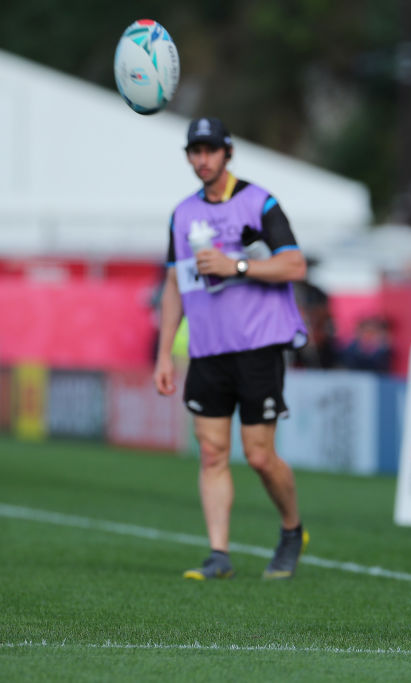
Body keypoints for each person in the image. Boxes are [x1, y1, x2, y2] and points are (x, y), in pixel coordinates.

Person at [152, 117, 310, 580]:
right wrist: (164, 352)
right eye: (194, 152)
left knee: (259, 455)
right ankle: (218, 553)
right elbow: (172, 284)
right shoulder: (181, 214)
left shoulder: (259, 202)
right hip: (206, 347)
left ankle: (291, 529)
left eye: (209, 150)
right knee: (211, 452)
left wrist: (236, 264)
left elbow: (295, 264)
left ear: (228, 152)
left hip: (258, 344)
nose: (202, 160)